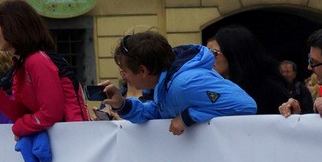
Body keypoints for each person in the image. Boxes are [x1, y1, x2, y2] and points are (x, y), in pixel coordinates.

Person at [0, 0, 90, 162]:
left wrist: (18, 127)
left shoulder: (37, 61)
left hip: (72, 143)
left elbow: (50, 113)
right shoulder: (24, 63)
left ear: (11, 28)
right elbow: (23, 111)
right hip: (62, 142)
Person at [102, 31, 256, 134]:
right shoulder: (165, 84)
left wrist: (187, 117)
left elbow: (245, 105)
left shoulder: (185, 83)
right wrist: (122, 104)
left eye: (124, 70)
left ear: (143, 71)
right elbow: (156, 112)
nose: (123, 76)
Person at [208, 25, 291, 115]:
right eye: (206, 53)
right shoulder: (210, 87)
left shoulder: (270, 89)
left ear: (234, 53)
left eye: (213, 53)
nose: (207, 58)